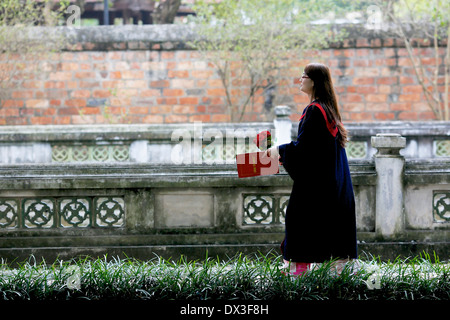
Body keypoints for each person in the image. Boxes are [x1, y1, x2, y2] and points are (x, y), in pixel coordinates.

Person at [265, 62, 357, 276]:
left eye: (304, 75)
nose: (300, 78)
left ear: (315, 81)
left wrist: (279, 152)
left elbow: (305, 152)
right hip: (333, 187)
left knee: (300, 224)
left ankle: (299, 278)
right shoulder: (328, 110)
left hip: (316, 188)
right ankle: (336, 277)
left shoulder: (315, 111)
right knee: (332, 238)